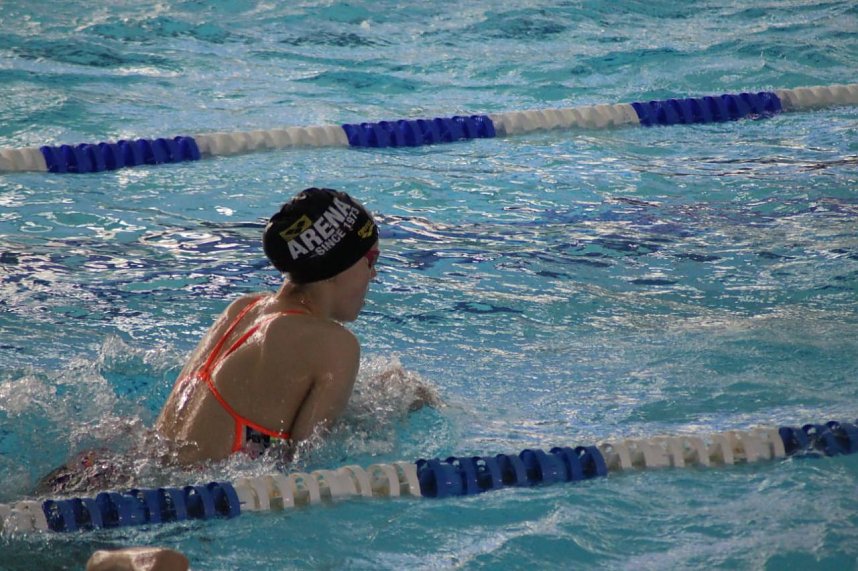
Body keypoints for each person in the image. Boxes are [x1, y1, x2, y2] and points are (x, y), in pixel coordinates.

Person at [155, 187, 380, 464]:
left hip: (153, 468)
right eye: (371, 262)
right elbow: (308, 462)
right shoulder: (336, 346)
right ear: (338, 265)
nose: (374, 274)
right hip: (204, 494)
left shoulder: (243, 309)